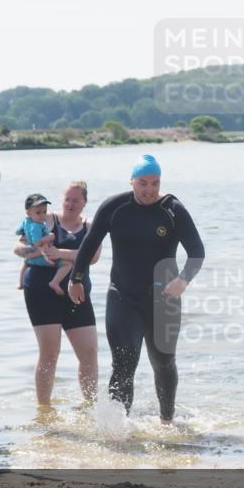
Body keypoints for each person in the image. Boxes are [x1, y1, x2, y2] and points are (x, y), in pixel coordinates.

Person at [68, 154, 205, 424]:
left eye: (155, 183)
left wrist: (183, 280)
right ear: (132, 181)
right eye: (143, 183)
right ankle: (117, 428)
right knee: (123, 363)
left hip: (164, 299)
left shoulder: (173, 209)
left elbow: (197, 251)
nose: (149, 190)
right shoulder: (115, 207)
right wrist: (76, 279)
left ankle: (167, 420)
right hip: (123, 296)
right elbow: (89, 243)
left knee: (163, 362)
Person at [14, 181, 102, 406]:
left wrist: (60, 252)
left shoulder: (91, 224)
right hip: (41, 292)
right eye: (67, 199)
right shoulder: (46, 218)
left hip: (78, 293)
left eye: (76, 200)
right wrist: (37, 251)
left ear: (84, 202)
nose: (71, 204)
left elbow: (93, 256)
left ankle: (90, 405)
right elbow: (18, 248)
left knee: (89, 352)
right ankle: (44, 408)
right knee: (50, 353)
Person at [16, 194, 71, 294]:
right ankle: (54, 282)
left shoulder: (26, 222)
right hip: (42, 255)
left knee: (25, 262)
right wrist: (50, 236)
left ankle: (20, 283)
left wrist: (23, 234)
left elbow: (18, 231)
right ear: (28, 212)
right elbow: (37, 242)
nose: (42, 215)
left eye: (44, 212)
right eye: (38, 212)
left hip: (30, 258)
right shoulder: (36, 226)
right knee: (68, 264)